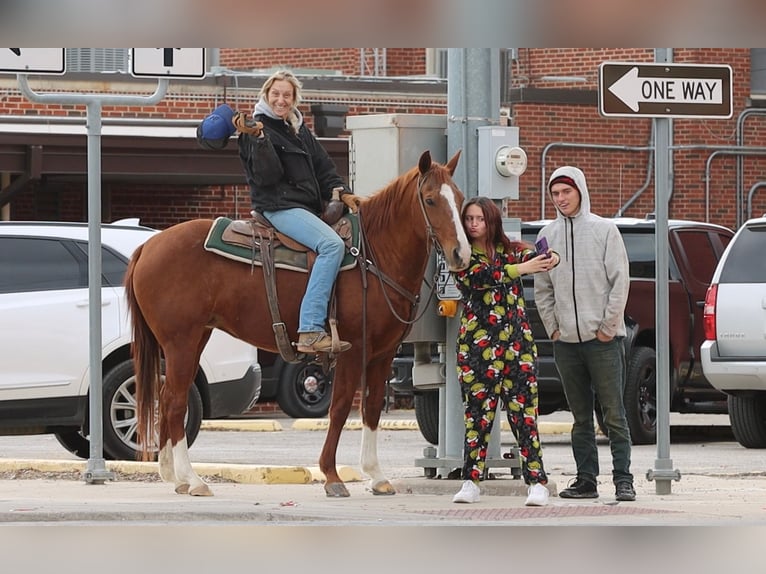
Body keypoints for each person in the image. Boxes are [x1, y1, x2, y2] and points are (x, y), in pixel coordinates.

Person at [234, 69, 361, 354]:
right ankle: (310, 330)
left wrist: (344, 191)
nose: (281, 100)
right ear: (266, 95)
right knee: (330, 245)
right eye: (276, 94)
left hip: (305, 208)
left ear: (294, 99)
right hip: (279, 207)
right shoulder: (255, 128)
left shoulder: (298, 128)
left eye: (287, 95)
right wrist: (261, 139)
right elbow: (267, 176)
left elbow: (324, 166)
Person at [534, 166, 636, 502]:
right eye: (555, 194)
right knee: (579, 417)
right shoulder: (546, 236)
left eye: (566, 192)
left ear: (580, 190)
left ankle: (624, 479)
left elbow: (620, 282)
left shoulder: (605, 231)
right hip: (567, 344)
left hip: (603, 341)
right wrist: (553, 328)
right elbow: (543, 288)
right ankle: (586, 480)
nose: (561, 199)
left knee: (613, 414)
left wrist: (607, 327)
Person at [452, 196, 558, 506]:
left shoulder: (512, 249)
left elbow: (547, 256)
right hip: (477, 349)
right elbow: (481, 279)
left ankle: (537, 483)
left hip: (517, 347)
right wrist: (522, 267)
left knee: (525, 417)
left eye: (480, 219)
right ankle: (470, 481)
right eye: (469, 218)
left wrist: (549, 257)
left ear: (492, 221)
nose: (473, 224)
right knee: (477, 418)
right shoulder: (460, 254)